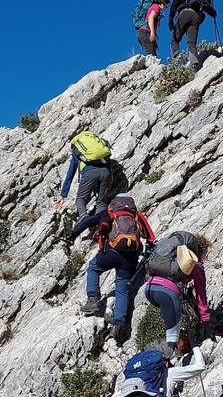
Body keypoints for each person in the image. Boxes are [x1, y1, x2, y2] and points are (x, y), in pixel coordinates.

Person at [77, 194, 155, 344]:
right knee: (122, 290)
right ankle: (118, 325)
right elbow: (150, 237)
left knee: (93, 268)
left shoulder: (110, 212)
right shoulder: (137, 216)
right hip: (130, 258)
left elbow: (95, 224)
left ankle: (93, 298)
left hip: (110, 253)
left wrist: (78, 233)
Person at [145, 232, 211, 349]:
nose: (205, 259)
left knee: (172, 324)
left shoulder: (173, 257)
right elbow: (201, 292)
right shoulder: (195, 264)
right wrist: (205, 317)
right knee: (172, 336)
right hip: (167, 294)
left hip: (150, 289)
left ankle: (172, 352)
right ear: (200, 252)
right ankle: (164, 362)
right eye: (206, 254)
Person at [54, 130, 112, 221]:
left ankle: (84, 218)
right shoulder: (96, 143)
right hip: (106, 172)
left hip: (90, 173)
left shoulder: (77, 150)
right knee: (101, 203)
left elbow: (70, 173)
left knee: (80, 200)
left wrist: (63, 195)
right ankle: (102, 224)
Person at [169, 0, 217, 69]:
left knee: (175, 39)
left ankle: (176, 61)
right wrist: (213, 13)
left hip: (184, 14)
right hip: (196, 16)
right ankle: (194, 62)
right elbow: (208, 9)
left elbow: (174, 5)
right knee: (192, 43)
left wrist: (170, 18)